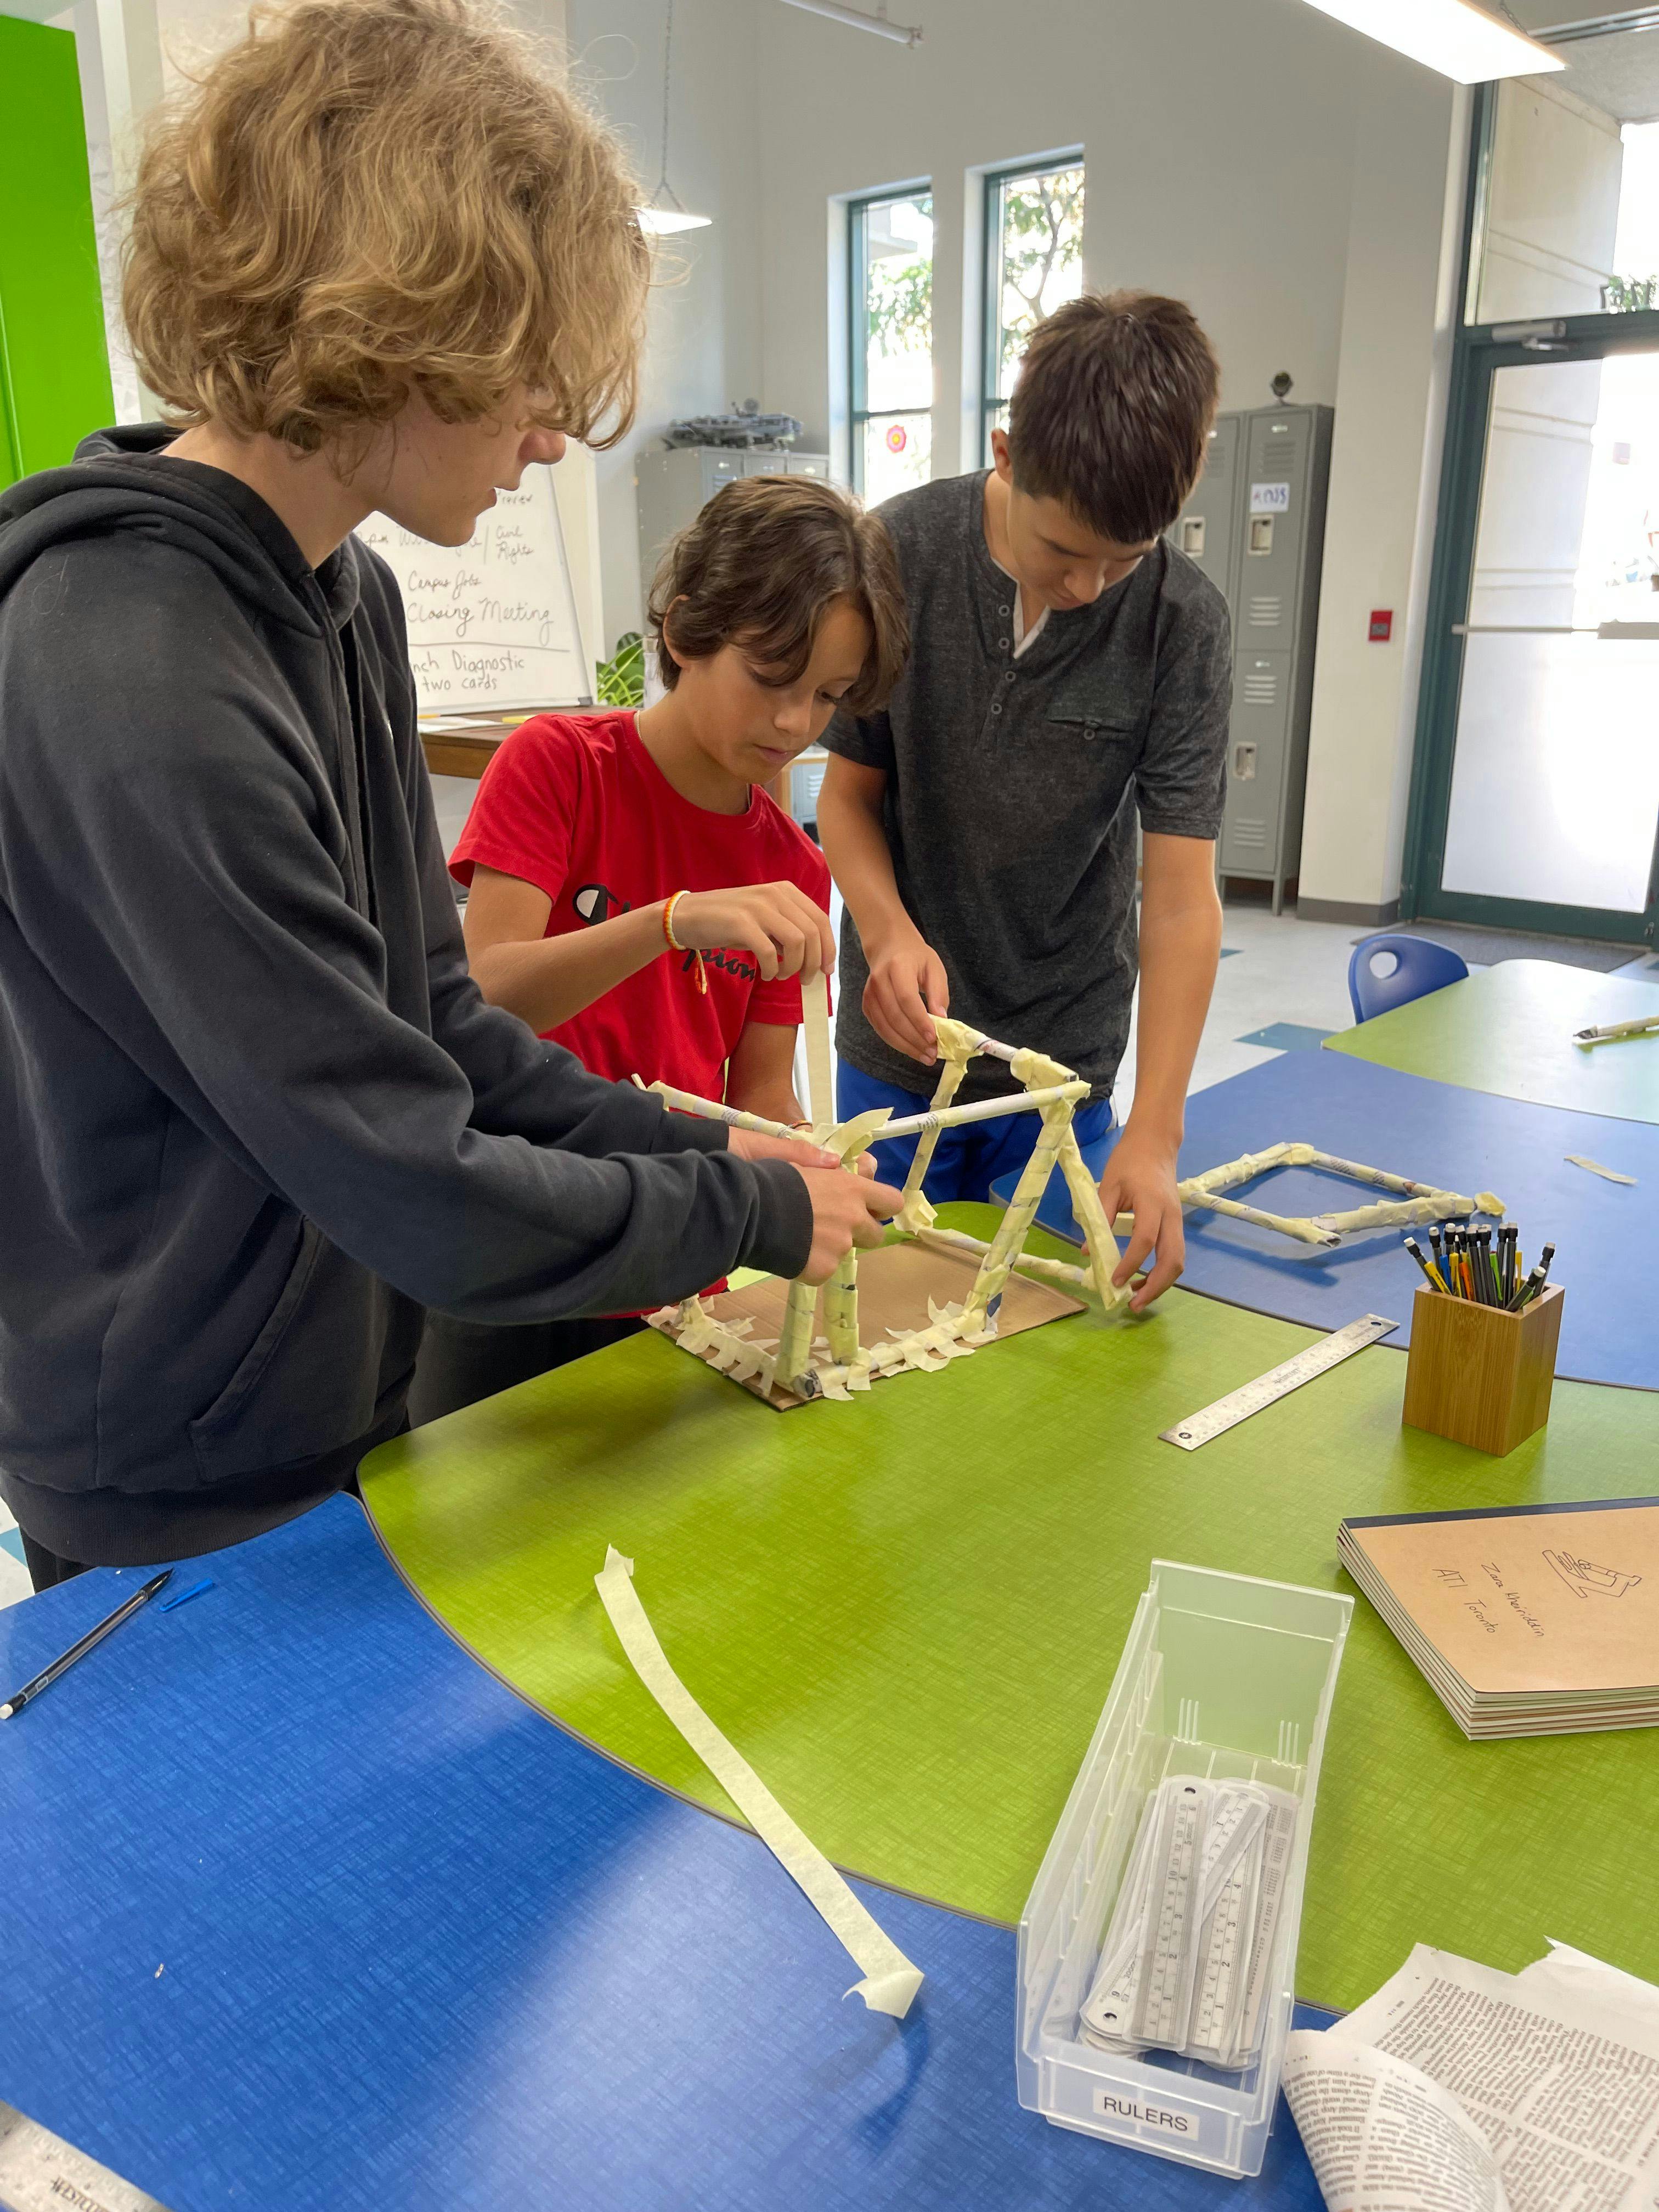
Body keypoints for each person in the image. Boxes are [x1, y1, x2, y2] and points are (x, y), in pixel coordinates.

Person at [0, 0, 896, 1589]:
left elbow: (439, 1018)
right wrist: (731, 1216)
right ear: (388, 328)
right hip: (167, 1458)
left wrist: (720, 1157)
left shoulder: (342, 594)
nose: (552, 439)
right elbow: (401, 1168)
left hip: (340, 1386)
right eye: (523, 381)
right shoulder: (131, 671)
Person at [409, 475, 907, 1421]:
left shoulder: (790, 867)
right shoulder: (557, 765)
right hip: (513, 1232)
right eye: (771, 680)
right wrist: (669, 921)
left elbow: (761, 1091)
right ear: (683, 632)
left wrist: (807, 1161)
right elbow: (480, 1003)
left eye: (828, 697)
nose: (796, 724)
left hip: (673, 1250)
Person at [817, 291, 1229, 1313]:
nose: (1091, 587)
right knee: (885, 1330)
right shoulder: (899, 556)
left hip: (1064, 1058)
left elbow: (1180, 898)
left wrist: (1157, 1132)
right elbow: (848, 796)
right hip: (899, 1042)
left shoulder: (1183, 625)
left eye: (1123, 561)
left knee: (1041, 1348)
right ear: (1006, 451)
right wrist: (887, 927)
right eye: (1064, 552)